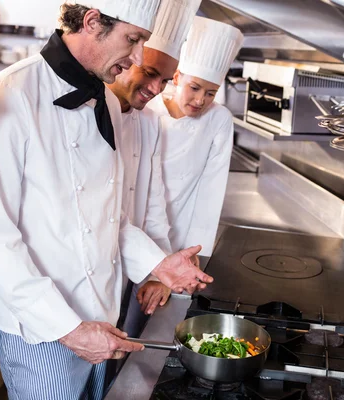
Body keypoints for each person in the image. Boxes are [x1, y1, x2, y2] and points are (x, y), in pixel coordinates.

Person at [0, 1, 213, 399]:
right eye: (132, 40)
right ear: (92, 21)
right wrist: (69, 329)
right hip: (43, 330)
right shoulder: (8, 96)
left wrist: (158, 264)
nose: (135, 58)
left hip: (104, 316)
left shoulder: (110, 104)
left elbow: (108, 219)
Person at [108, 0, 201, 337]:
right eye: (149, 74)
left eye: (164, 81)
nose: (156, 90)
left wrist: (154, 273)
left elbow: (153, 205)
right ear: (125, 59)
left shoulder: (147, 121)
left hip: (123, 274)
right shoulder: (88, 113)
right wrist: (156, 265)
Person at [147, 16, 243, 259]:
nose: (201, 100)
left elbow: (211, 188)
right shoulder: (148, 110)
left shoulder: (219, 119)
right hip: (140, 230)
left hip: (184, 234)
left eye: (211, 93)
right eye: (195, 88)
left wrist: (194, 252)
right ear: (177, 78)